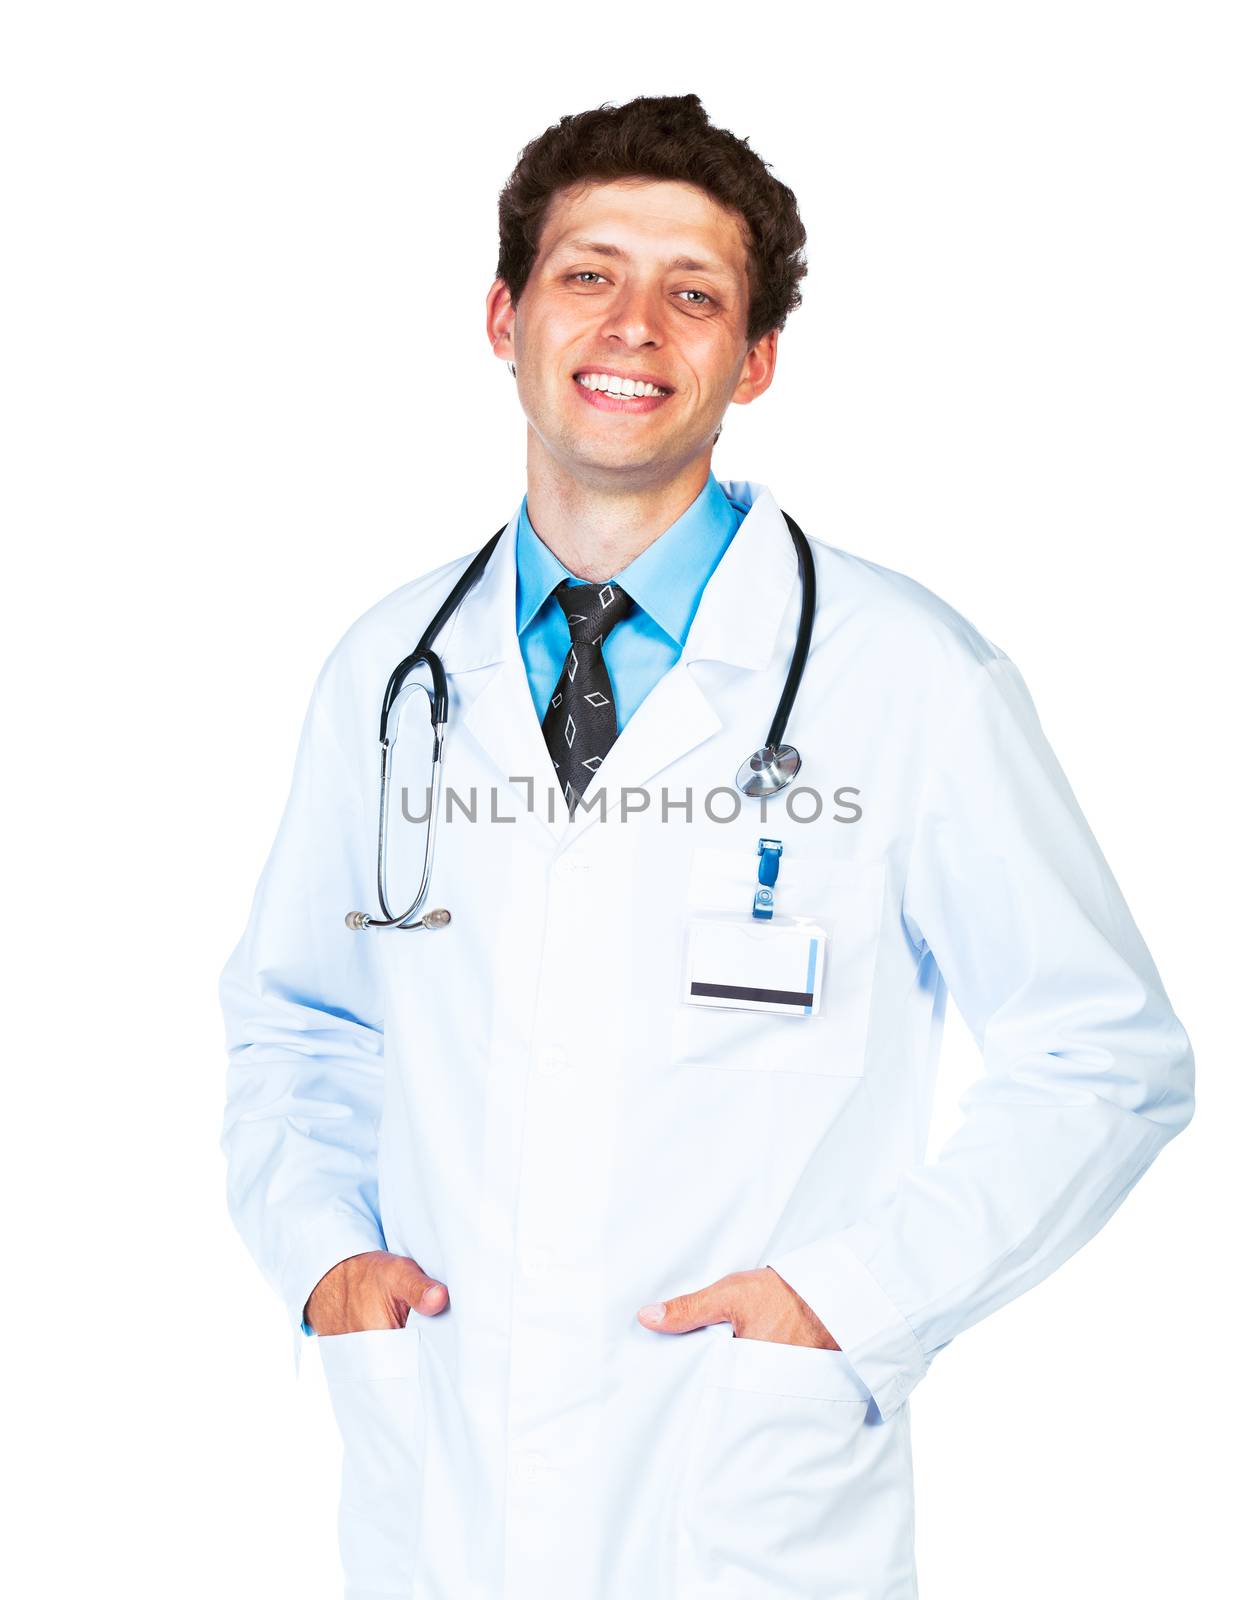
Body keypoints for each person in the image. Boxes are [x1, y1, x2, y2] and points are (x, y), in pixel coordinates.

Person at [219, 92, 1195, 1600]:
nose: (633, 327)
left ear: (756, 360)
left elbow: (1103, 1054)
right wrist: (327, 1263)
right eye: (588, 273)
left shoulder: (908, 674)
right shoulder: (389, 672)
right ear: (505, 316)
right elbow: (298, 1022)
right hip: (443, 1480)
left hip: (747, 1493)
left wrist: (850, 1298)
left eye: (695, 293)